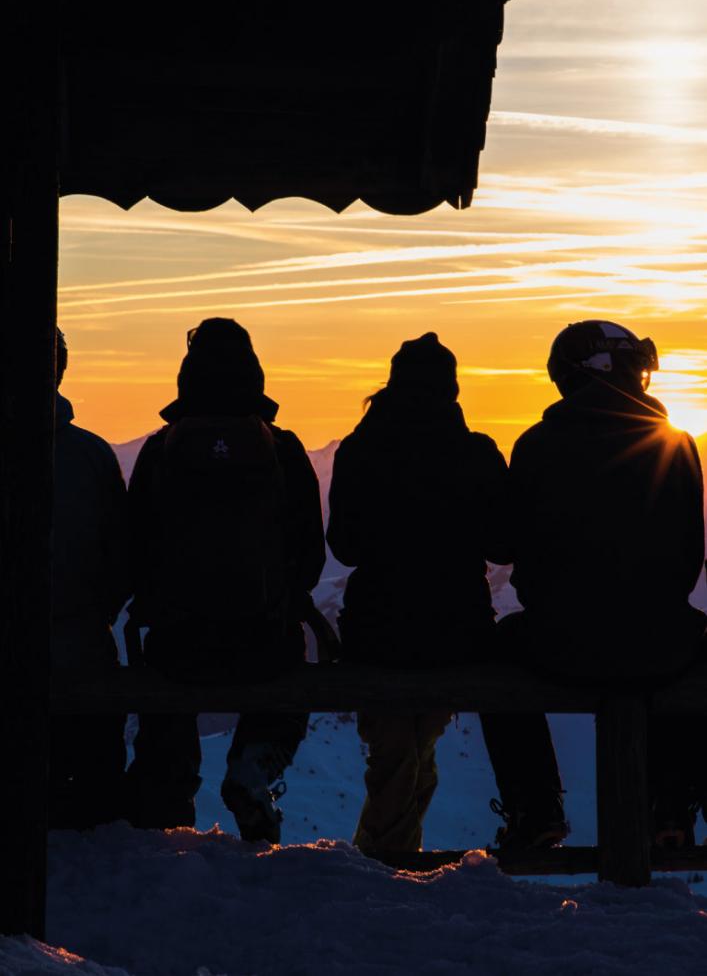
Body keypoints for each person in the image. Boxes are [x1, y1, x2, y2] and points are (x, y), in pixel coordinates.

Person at [483, 319, 706, 849]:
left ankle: (535, 808)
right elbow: (687, 556)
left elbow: (505, 547)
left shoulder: (537, 444)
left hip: (558, 644)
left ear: (568, 378)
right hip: (660, 642)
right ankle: (669, 807)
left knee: (496, 649)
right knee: (695, 642)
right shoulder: (676, 445)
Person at [126, 318, 325, 842]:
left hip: (178, 647)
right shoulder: (281, 449)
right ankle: (255, 761)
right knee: (290, 671)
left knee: (164, 691)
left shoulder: (160, 449)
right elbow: (310, 557)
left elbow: (131, 549)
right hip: (265, 644)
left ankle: (164, 809)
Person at [327, 332, 509, 853]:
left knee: (397, 753)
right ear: (452, 391)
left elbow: (345, 548)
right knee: (413, 751)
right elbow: (502, 545)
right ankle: (388, 861)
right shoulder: (476, 452)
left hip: (377, 632)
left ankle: (383, 862)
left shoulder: (360, 449)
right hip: (459, 633)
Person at [51, 327, 129, 828]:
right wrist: (94, 617)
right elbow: (124, 556)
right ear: (61, 368)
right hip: (80, 649)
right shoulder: (94, 455)